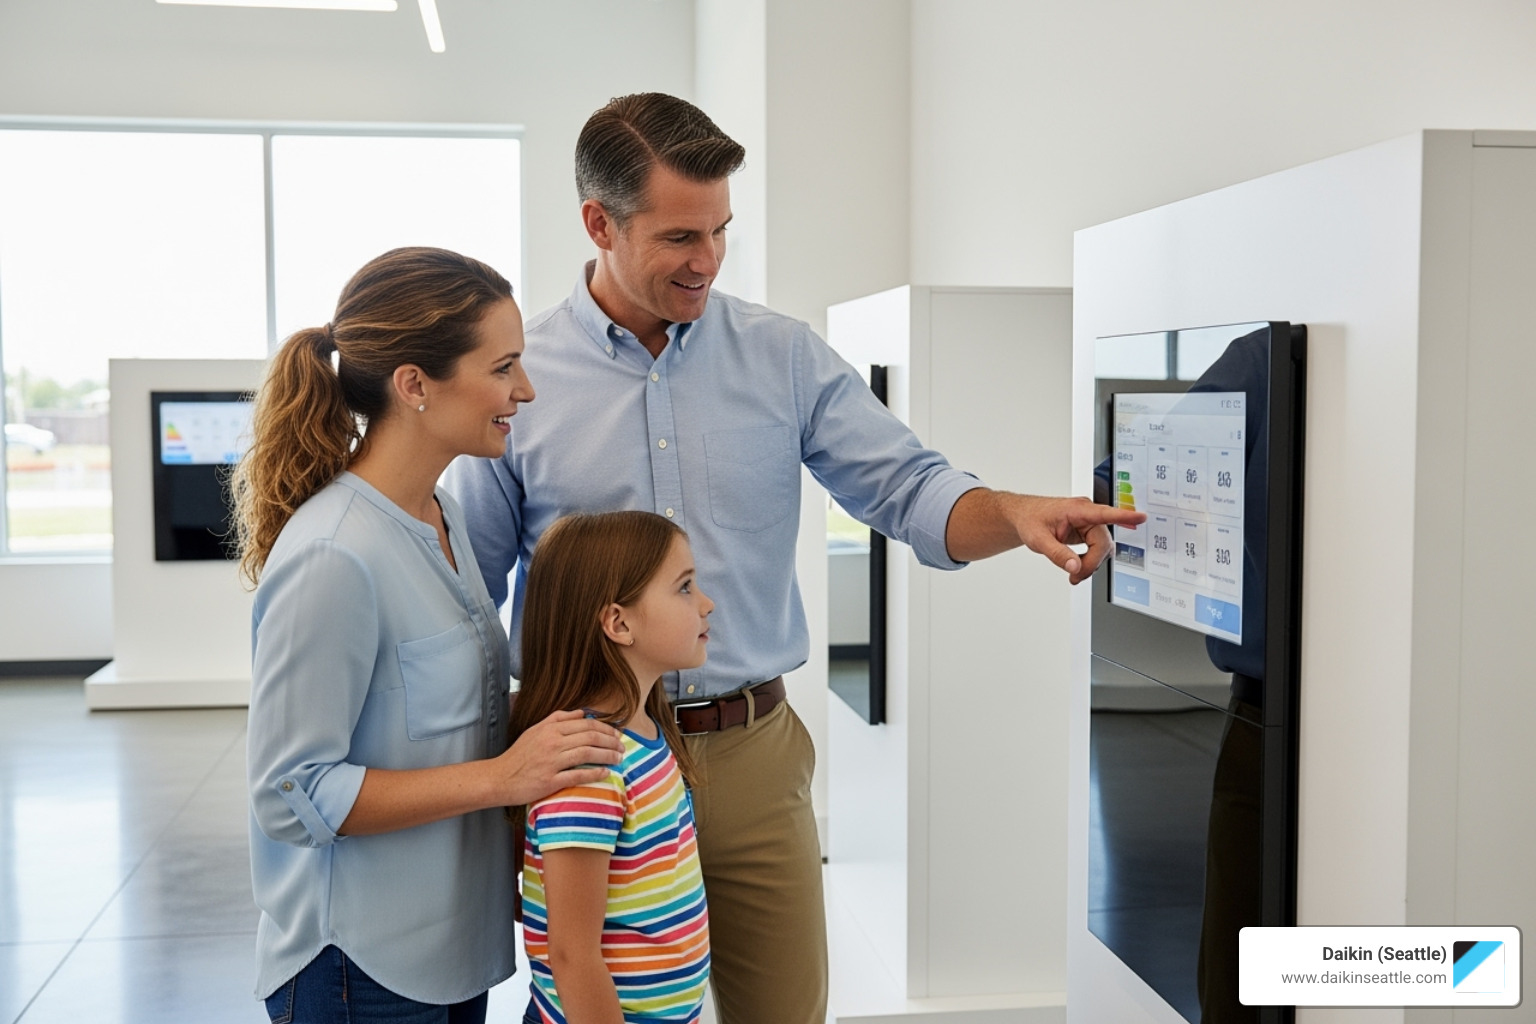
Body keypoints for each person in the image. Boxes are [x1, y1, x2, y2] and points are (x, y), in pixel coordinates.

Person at [450, 93, 1146, 1024]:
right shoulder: (521, 378)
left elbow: (910, 489)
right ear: (598, 223)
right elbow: (469, 596)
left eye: (722, 231)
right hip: (590, 764)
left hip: (751, 754)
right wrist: (494, 769)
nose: (707, 260)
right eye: (678, 237)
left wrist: (1011, 513)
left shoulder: (781, 355)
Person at [236, 246, 624, 1024]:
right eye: (504, 366)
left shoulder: (437, 517)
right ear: (414, 385)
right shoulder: (333, 556)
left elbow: (445, 722)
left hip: (450, 954)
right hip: (360, 968)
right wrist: (504, 778)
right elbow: (292, 794)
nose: (526, 389)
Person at [512, 511, 713, 1024]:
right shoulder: (591, 765)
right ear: (618, 623)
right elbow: (572, 955)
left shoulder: (645, 734)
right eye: (686, 588)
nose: (707, 604)